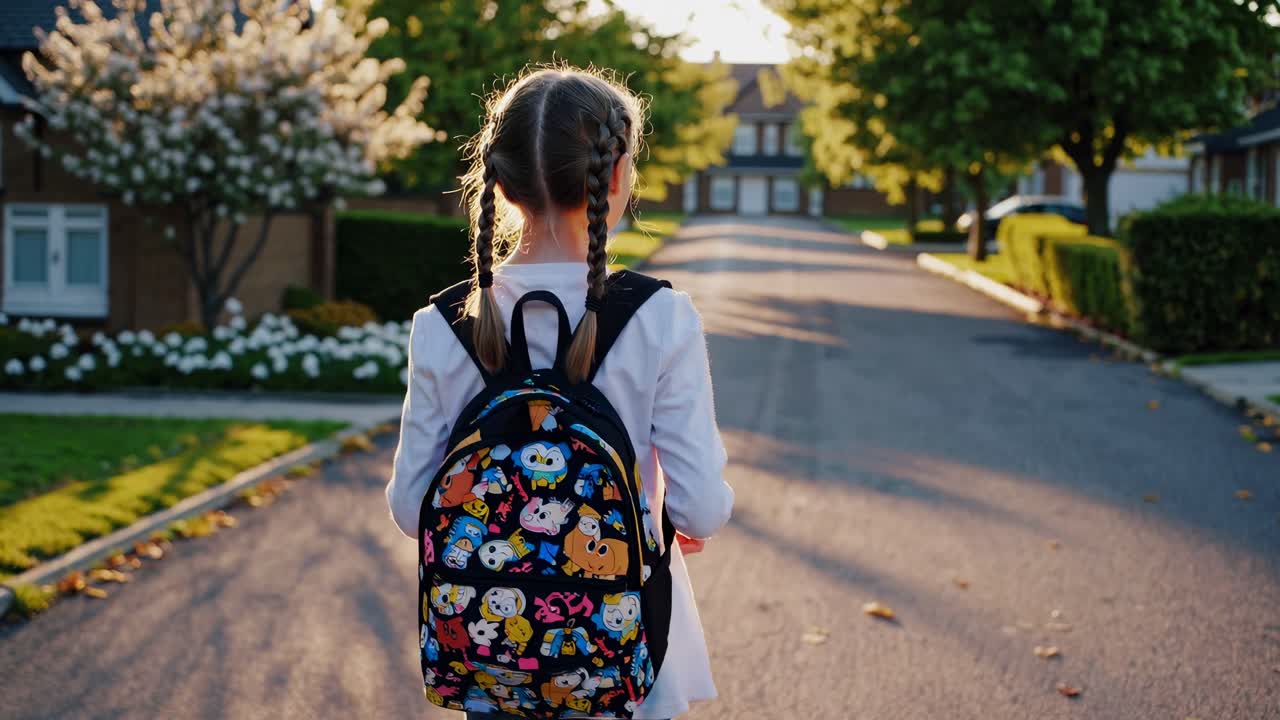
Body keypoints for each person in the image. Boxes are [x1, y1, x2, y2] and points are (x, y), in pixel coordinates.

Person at [385, 66, 734, 720]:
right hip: (622, 648)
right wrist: (662, 517)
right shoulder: (659, 316)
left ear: (500, 179)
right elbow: (703, 511)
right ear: (617, 173)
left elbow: (412, 510)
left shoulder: (441, 324)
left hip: (494, 653)